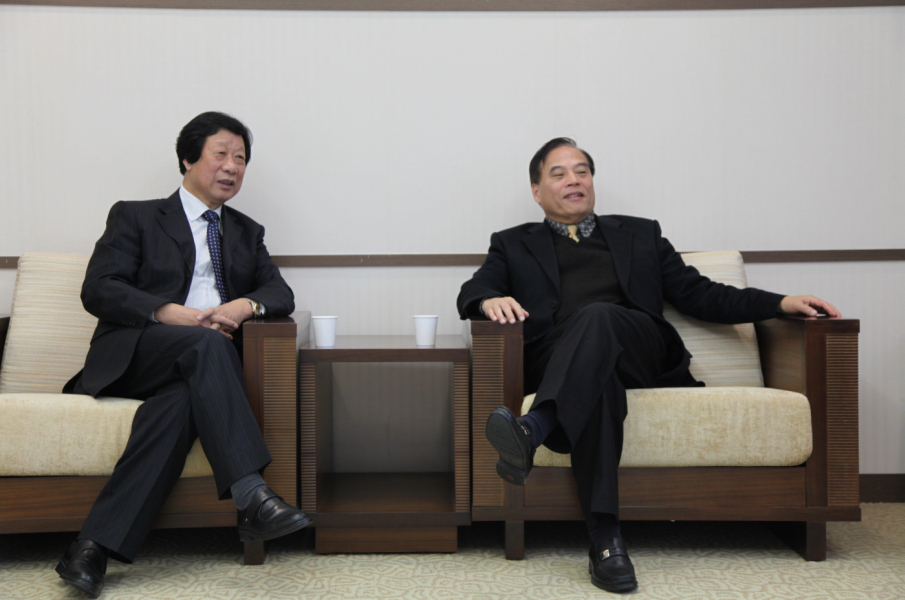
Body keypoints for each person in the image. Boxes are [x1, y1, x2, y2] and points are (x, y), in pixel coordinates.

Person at [456, 137, 839, 594]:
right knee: (598, 386)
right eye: (558, 174)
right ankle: (606, 542)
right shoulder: (512, 243)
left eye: (582, 171)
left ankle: (536, 426)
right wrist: (489, 299)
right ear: (537, 191)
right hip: (565, 362)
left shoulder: (640, 233)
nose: (574, 180)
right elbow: (472, 290)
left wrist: (778, 302)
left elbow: (701, 294)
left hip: (642, 349)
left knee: (599, 316)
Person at [56, 112, 311, 598]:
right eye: (221, 154)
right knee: (206, 342)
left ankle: (91, 548)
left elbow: (279, 292)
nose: (232, 166)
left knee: (177, 405)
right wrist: (164, 312)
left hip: (201, 367)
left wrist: (242, 306)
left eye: (241, 158)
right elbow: (99, 287)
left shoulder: (246, 231)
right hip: (138, 353)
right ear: (188, 159)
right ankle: (251, 495)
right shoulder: (135, 216)